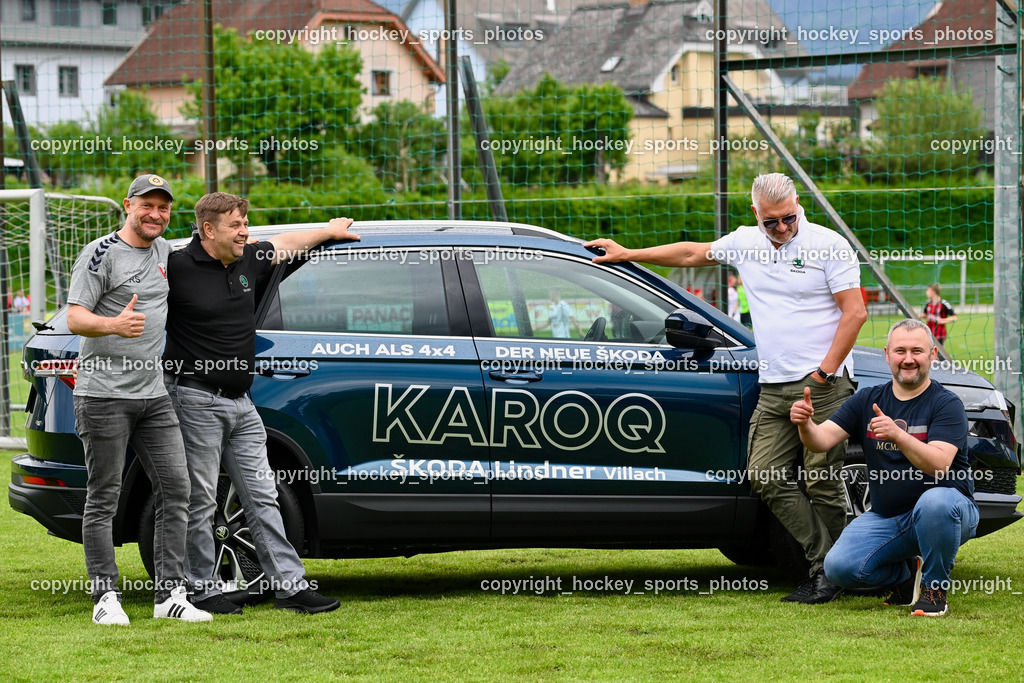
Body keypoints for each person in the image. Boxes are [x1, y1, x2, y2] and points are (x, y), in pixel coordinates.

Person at [586, 172, 867, 604]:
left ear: (798, 205)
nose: (781, 229)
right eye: (770, 222)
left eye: (788, 218)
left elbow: (855, 314)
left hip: (822, 386)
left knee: (822, 482)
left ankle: (841, 570)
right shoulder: (745, 240)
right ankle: (828, 562)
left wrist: (823, 374)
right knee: (765, 475)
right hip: (773, 386)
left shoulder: (829, 245)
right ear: (755, 214)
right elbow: (693, 252)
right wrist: (629, 254)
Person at [163, 192, 357, 615]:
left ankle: (290, 586)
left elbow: (287, 243)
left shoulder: (247, 259)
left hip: (242, 403)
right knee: (200, 499)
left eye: (246, 223)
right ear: (208, 229)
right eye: (236, 225)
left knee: (262, 493)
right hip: (194, 398)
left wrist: (328, 230)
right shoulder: (176, 266)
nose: (246, 231)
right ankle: (201, 589)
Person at [66, 175, 212, 625]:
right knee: (104, 497)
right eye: (146, 205)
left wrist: (324, 229)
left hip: (154, 395)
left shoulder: (167, 251)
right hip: (103, 396)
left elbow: (233, 236)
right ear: (128, 205)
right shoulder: (100, 252)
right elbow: (74, 317)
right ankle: (104, 599)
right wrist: (113, 325)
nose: (155, 214)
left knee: (177, 489)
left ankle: (169, 596)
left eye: (163, 208)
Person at [790, 318, 977, 616]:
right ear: (887, 355)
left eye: (917, 351)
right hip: (888, 517)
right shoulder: (868, 398)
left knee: (936, 501)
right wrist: (805, 424)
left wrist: (898, 435)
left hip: (949, 511)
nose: (908, 359)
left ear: (932, 355)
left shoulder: (946, 404)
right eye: (900, 351)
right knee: (839, 568)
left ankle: (933, 589)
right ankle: (905, 575)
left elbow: (939, 466)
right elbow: (821, 440)